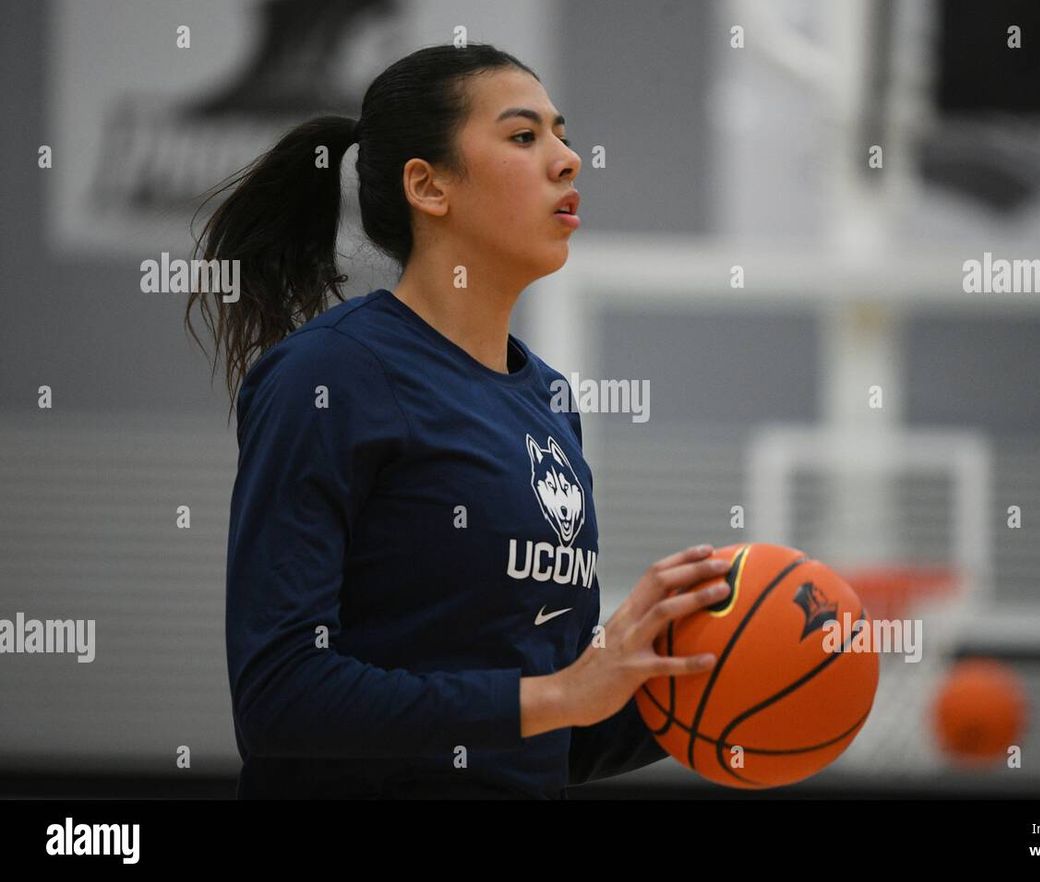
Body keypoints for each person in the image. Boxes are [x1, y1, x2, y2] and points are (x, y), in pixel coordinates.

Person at [185, 42, 730, 799]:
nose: (568, 159)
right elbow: (282, 696)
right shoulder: (330, 376)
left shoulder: (548, 401)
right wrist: (560, 695)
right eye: (523, 136)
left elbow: (545, 736)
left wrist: (714, 684)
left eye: (562, 133)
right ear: (428, 186)